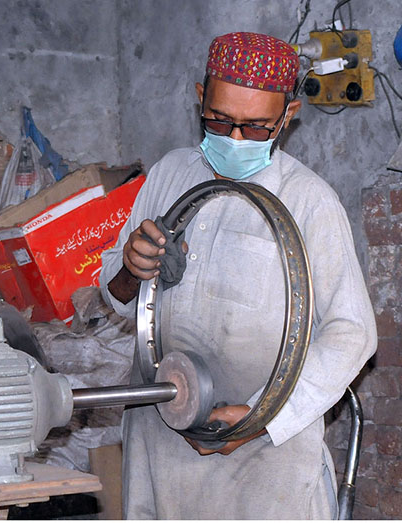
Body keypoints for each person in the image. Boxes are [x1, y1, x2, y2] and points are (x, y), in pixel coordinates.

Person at [99, 32, 377, 519]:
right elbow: (119, 294)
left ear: (288, 117)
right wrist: (131, 266)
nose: (234, 139)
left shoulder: (309, 201)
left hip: (264, 460)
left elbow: (352, 332)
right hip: (163, 439)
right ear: (198, 97)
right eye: (220, 120)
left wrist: (263, 418)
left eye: (255, 128)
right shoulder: (169, 175)